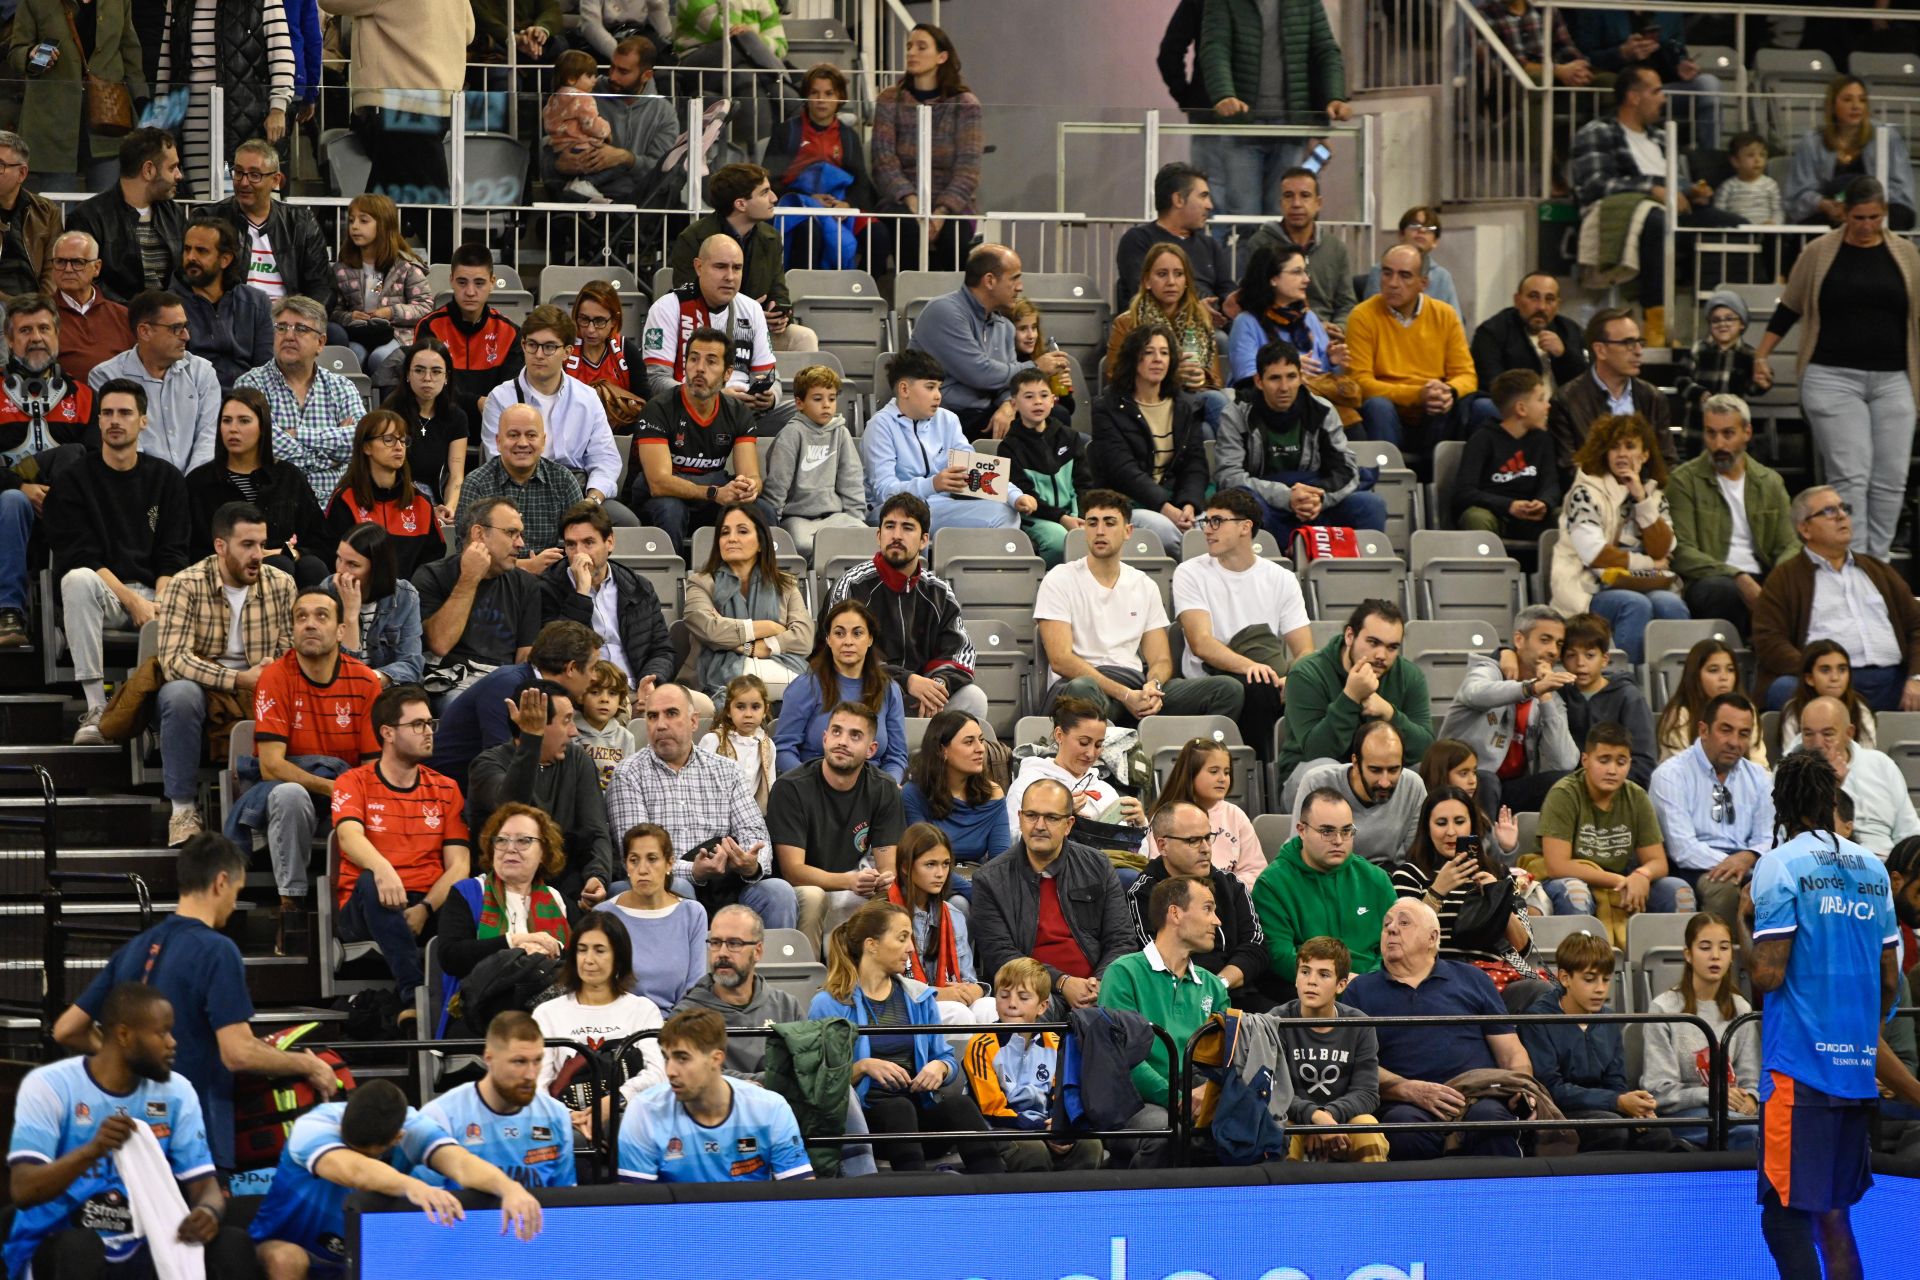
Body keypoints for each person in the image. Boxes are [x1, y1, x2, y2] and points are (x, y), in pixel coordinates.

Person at [51, 835, 339, 1175]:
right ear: (221, 882)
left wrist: (125, 1057)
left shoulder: (134, 948)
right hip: (192, 1142)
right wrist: (308, 1066)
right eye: (237, 891)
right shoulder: (217, 950)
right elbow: (238, 1052)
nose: (234, 904)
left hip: (126, 1138)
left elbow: (66, 1029)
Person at [1749, 750, 1899, 1279]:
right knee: (1834, 1216)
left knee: (1785, 1217)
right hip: (1856, 1074)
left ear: (1783, 805)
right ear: (1831, 800)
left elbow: (1768, 973)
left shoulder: (1779, 864)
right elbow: (1888, 979)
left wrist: (1747, 932)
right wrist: (1859, 1034)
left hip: (1800, 1071)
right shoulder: (1875, 869)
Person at [6, 984, 252, 1280]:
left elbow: (205, 1186)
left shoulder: (177, 1092)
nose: (172, 1043)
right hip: (61, 1239)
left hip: (145, 1243)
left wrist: (209, 1212)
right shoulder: (50, 1086)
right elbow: (23, 1190)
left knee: (231, 1244)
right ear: (124, 1035)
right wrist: (91, 1151)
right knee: (79, 1247)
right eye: (162, 1033)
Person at [1755, 177, 1920, 562]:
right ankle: (1852, 559)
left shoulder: (1907, 255)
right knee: (1852, 474)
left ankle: (1875, 561)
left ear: (1885, 214)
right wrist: (1762, 354)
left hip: (1894, 378)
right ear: (1844, 214)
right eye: (1858, 217)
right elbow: (1789, 307)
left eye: (1874, 217)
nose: (1866, 226)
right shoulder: (1819, 252)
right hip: (1831, 376)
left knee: (1891, 477)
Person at [248, 1079, 540, 1277]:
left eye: (367, 1151)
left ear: (397, 1139)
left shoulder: (413, 1128)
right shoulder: (312, 1126)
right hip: (290, 1245)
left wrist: (509, 1188)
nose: (357, 1153)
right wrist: (412, 1185)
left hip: (368, 1251)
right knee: (285, 1259)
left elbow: (461, 1164)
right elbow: (355, 1172)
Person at [235, 583, 380, 951]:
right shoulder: (275, 677)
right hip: (298, 796)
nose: (310, 624)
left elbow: (374, 767)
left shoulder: (365, 681)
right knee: (288, 793)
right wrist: (333, 788)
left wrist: (348, 793)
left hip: (346, 796)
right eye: (301, 617)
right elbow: (270, 767)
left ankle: (362, 917)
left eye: (321, 616)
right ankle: (291, 907)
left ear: (341, 630)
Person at [809, 902, 1005, 1173]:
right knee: (898, 1108)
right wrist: (862, 1067)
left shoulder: (918, 996)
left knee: (959, 1105)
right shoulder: (829, 1003)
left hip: (916, 1116)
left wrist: (941, 1067)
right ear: (871, 945)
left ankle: (996, 1192)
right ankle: (913, 1195)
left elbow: (945, 1057)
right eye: (902, 938)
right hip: (862, 1127)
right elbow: (817, 1082)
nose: (911, 948)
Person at [54, 379, 194, 745]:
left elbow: (174, 552)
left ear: (143, 421)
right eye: (108, 413)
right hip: (107, 595)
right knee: (76, 580)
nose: (116, 421)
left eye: (125, 413)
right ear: (98, 421)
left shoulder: (167, 478)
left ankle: (158, 718)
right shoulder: (73, 479)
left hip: (158, 592)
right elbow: (80, 555)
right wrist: (133, 602)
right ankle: (97, 708)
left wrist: (159, 601)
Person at [1567, 64, 1746, 347]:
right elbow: (1594, 185)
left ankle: (1722, 314)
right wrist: (1652, 189)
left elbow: (1677, 182)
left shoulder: (1661, 137)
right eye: (1657, 91)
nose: (1664, 98)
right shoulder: (1597, 132)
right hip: (1627, 214)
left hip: (1670, 209)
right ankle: (1656, 326)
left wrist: (1693, 191)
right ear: (1634, 97)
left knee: (1735, 225)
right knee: (1656, 221)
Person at [1344, 898, 1534, 1159]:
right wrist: (1409, 1090)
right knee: (1404, 1127)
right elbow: (1357, 1064)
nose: (1391, 929)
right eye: (1387, 924)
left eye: (1404, 922)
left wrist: (1522, 1087)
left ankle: (1500, 1199)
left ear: (1432, 937)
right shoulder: (1360, 990)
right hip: (1404, 1102)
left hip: (1477, 1096)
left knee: (1491, 1120)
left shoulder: (1473, 978)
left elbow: (1511, 1052)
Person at [1040, 488, 1244, 725]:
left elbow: (1160, 659)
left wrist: (1153, 687)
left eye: (1109, 523)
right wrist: (1124, 695)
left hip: (1134, 686)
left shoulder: (1143, 584)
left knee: (1227, 689)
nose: (1100, 531)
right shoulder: (1059, 578)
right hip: (1084, 689)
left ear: (1128, 531)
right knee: (1083, 689)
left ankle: (1195, 759)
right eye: (1092, 523)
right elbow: (1061, 659)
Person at [604, 682, 799, 929]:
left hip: (728, 882)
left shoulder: (726, 770)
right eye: (652, 717)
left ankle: (768, 968)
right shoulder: (628, 774)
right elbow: (634, 855)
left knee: (778, 892)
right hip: (665, 882)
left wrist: (751, 862)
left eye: (671, 714)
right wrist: (693, 871)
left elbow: (755, 833)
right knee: (678, 887)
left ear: (694, 722)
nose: (661, 724)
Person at [330, 683, 472, 1005]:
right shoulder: (353, 782)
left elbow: (459, 865)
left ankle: (470, 996)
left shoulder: (447, 789)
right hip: (365, 909)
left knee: (469, 891)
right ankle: (413, 996)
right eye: (417, 724)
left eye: (430, 723)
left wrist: (424, 908)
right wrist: (382, 868)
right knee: (371, 882)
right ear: (388, 733)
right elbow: (348, 836)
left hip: (427, 902)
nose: (428, 732)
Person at [824, 493, 992, 723]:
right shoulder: (853, 585)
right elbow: (840, 652)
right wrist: (907, 680)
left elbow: (960, 654)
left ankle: (938, 759)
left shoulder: (939, 592)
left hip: (922, 698)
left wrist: (938, 686)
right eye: (890, 526)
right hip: (867, 691)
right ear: (878, 535)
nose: (896, 535)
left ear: (924, 540)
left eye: (907, 528)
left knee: (974, 699)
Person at [971, 777, 1137, 1007]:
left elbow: (1121, 939)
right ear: (1020, 818)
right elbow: (1000, 956)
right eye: (1031, 816)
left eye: (1051, 818)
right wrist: (1061, 982)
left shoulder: (1097, 865)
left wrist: (1100, 983)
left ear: (1068, 824)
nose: (1039, 825)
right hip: (1032, 995)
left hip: (1097, 991)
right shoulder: (989, 879)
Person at [1754, 484, 1920, 714]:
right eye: (1829, 511)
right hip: (1824, 683)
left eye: (1843, 508)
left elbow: (1916, 626)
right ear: (1805, 529)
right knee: (1785, 689)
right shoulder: (1784, 578)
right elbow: (1769, 640)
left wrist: (1916, 676)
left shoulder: (1878, 571)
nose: (1842, 516)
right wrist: (1815, 671)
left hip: (1893, 681)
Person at [1100, 874, 1230, 1165]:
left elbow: (1223, 1060)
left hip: (1196, 1098)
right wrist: (1180, 1099)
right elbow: (1123, 1059)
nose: (1217, 921)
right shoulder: (1124, 973)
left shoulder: (1213, 986)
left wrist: (1208, 1093)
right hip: (1133, 1102)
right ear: (1175, 913)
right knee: (1168, 1132)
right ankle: (1143, 1210)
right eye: (1208, 909)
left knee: (1253, 1125)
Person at [1548, 411, 1688, 665]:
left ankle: (1676, 685)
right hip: (1587, 587)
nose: (1622, 454)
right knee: (1634, 605)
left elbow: (1662, 548)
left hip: (1639, 583)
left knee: (1670, 604)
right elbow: (1595, 553)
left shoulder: (1654, 495)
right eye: (1614, 447)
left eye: (1630, 446)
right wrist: (1648, 564)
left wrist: (1641, 499)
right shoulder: (1585, 492)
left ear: (1645, 455)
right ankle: (1624, 684)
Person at [1194, 0, 1350, 220]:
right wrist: (1223, 94)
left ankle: (1284, 256)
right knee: (1243, 216)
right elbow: (1214, 47)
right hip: (1242, 126)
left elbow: (1325, 51)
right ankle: (1248, 256)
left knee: (1284, 215)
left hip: (1291, 127)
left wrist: (1334, 96)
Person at [619, 1009, 815, 1183]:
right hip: (674, 1222)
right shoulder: (644, 1110)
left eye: (682, 1058)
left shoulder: (770, 1108)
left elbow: (801, 1195)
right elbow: (633, 1209)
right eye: (667, 1058)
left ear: (716, 1059)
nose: (670, 1071)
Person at [1518, 933, 1673, 1152]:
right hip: (1560, 1113)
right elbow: (1551, 1090)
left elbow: (1616, 1082)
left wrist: (1635, 1106)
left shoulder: (1609, 1021)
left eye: (1606, 979)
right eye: (1590, 979)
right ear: (1565, 978)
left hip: (1607, 1110)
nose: (1600, 989)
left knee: (1658, 1134)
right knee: (1611, 1130)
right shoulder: (1538, 1020)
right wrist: (1617, 1102)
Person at [1217, 338, 1386, 538]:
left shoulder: (1321, 410)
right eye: (1274, 378)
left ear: (1301, 378)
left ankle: (1357, 568)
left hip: (1313, 502)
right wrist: (1286, 497)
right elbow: (1229, 477)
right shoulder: (1236, 413)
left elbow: (1345, 470)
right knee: (1245, 506)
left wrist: (1318, 497)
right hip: (1266, 503)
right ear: (1259, 381)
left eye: (1291, 377)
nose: (1284, 387)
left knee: (1371, 505)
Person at [464, 684, 615, 906]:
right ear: (536, 726)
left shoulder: (578, 760)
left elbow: (595, 830)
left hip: (566, 889)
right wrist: (531, 740)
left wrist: (597, 876)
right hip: (504, 890)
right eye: (566, 721)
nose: (574, 731)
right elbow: (511, 810)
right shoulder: (486, 765)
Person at [770, 702, 904, 949]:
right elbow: (793, 871)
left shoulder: (884, 788)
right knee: (813, 895)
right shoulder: (791, 788)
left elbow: (888, 869)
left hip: (854, 881)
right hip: (802, 888)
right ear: (824, 738)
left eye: (855, 736)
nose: (842, 741)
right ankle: (807, 980)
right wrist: (849, 881)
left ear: (871, 749)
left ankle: (871, 982)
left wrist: (884, 880)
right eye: (836, 731)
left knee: (893, 896)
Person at [478, 307, 626, 525]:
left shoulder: (587, 398)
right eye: (532, 345)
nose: (538, 354)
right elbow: (497, 460)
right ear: (523, 346)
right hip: (519, 492)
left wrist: (592, 500)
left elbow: (605, 459)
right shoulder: (500, 398)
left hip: (577, 489)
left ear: (567, 352)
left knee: (626, 522)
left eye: (549, 347)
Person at [1666, 393, 1798, 636]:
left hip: (1764, 576)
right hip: (1710, 578)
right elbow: (1682, 551)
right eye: (1711, 433)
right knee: (1723, 591)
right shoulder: (1684, 480)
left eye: (1728, 434)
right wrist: (1737, 576)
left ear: (1746, 432)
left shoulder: (1769, 481)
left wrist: (1778, 582)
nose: (1718, 444)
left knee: (1804, 586)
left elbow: (1788, 544)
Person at [628, 324, 763, 557]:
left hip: (711, 494)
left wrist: (750, 488)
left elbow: (751, 475)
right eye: (693, 359)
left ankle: (752, 583)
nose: (699, 369)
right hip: (661, 497)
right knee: (671, 510)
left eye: (711, 362)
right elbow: (659, 483)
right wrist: (714, 493)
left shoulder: (738, 412)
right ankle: (672, 582)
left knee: (763, 513)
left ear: (727, 373)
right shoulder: (658, 409)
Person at [1393, 787, 1543, 997]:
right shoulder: (1409, 874)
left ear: (1473, 825)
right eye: (1441, 823)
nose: (1451, 832)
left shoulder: (1500, 873)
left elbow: (1524, 949)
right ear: (1427, 828)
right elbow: (1402, 939)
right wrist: (1437, 892)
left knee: (1541, 991)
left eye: (1460, 821)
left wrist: (1497, 898)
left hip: (1492, 982)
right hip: (1433, 979)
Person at [1649, 691, 1773, 943]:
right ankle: (1726, 970)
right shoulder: (1671, 775)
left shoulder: (1760, 778)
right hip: (1692, 869)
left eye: (1744, 733)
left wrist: (1748, 858)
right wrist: (1735, 865)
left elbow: (1768, 837)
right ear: (1703, 730)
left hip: (1747, 866)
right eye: (1725, 730)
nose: (1734, 742)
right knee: (1724, 888)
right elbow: (1683, 848)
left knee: (1782, 890)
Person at [863, 347, 1031, 532]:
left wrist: (1015, 495)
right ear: (904, 389)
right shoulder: (880, 425)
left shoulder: (947, 420)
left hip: (940, 508)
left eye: (939, 388)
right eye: (930, 387)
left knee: (1005, 511)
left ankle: (978, 561)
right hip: (894, 512)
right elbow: (884, 492)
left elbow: (976, 470)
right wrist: (933, 484)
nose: (938, 395)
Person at [1539, 721, 1694, 919]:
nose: (1612, 770)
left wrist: (1642, 875)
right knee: (1575, 892)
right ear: (1585, 760)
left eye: (1621, 762)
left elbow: (1657, 861)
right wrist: (1619, 880)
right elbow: (1557, 866)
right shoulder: (1564, 794)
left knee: (1679, 891)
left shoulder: (1636, 796)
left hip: (1622, 882)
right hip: (1569, 882)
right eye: (1604, 760)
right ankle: (1582, 950)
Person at [641, 234, 789, 441]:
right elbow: (656, 380)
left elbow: (770, 375)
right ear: (699, 267)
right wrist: (714, 399)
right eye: (720, 267)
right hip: (689, 411)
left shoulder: (752, 309)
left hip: (745, 412)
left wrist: (770, 397)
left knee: (812, 415)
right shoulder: (668, 307)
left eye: (736, 268)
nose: (730, 276)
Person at [905, 246, 1061, 439]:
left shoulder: (1005, 326)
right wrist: (1035, 366)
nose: (1020, 287)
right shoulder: (945, 311)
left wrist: (1007, 406)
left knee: (1055, 417)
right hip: (942, 418)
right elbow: (980, 373)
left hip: (982, 414)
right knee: (1034, 431)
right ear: (989, 281)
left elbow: (1007, 384)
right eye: (1014, 278)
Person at [428, 619, 601, 794]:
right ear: (571, 668)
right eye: (593, 668)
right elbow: (501, 765)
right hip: (451, 800)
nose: (594, 677)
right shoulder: (506, 686)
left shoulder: (546, 693)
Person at [961, 958, 1103, 1171]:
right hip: (1002, 1128)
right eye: (1004, 995)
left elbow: (1061, 1095)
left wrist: (1058, 1124)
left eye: (1023, 997)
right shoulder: (981, 1044)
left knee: (1090, 1145)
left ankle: (1077, 1203)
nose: (1012, 1004)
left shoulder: (1056, 1042)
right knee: (1033, 1150)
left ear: (1042, 1006)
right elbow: (991, 1110)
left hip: (1046, 1126)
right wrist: (1041, 1130)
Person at [1127, 802, 1270, 1009]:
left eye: (1207, 837)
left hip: (1236, 993)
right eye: (1193, 841)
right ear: (1162, 845)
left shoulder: (1230, 885)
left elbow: (1256, 947)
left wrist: (1218, 985)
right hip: (1176, 998)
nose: (1205, 848)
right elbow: (1157, 956)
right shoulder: (1143, 893)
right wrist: (1204, 990)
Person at [1277, 599, 1434, 786]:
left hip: (1380, 778)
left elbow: (1426, 751)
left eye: (1392, 647)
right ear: (1350, 636)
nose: (1381, 656)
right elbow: (1316, 752)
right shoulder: (1307, 673)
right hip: (1308, 779)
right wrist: (1350, 697)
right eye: (1373, 643)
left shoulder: (1409, 675)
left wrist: (1389, 714)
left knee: (1427, 772)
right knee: (1324, 769)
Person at [1253, 788, 1399, 986]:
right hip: (1306, 995)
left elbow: (1395, 945)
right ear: (1302, 830)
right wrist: (1334, 982)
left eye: (1346, 831)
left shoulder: (1377, 880)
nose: (1338, 841)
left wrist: (1368, 984)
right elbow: (1279, 955)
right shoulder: (1272, 884)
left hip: (1373, 989)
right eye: (1327, 831)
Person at [669, 163, 818, 354]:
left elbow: (778, 289)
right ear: (740, 204)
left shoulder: (770, 238)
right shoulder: (693, 238)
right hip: (709, 330)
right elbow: (688, 297)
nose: (774, 198)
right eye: (764, 193)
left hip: (758, 328)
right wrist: (745, 311)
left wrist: (779, 313)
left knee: (804, 338)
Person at [1088, 322, 1209, 556]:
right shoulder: (1108, 407)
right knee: (1167, 533)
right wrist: (1165, 508)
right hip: (1127, 504)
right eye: (1148, 352)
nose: (1158, 359)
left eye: (1164, 353)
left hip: (1177, 503)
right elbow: (1122, 470)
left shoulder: (1186, 406)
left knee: (1215, 530)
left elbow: (1195, 464)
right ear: (1134, 359)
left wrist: (1188, 505)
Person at [869, 23, 982, 271]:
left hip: (953, 203)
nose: (912, 53)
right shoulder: (890, 98)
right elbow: (883, 159)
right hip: (901, 199)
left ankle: (949, 306)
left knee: (954, 238)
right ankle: (909, 303)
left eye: (921, 47)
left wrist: (940, 212)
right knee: (906, 227)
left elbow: (968, 168)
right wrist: (911, 200)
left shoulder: (965, 104)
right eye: (909, 46)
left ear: (942, 56)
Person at [1642, 911, 1759, 1149]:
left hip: (1732, 1113)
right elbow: (1659, 1090)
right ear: (1688, 954)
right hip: (1684, 1114)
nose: (1715, 956)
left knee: (1761, 1129)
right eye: (1705, 947)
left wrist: (1751, 1098)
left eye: (1724, 948)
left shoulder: (1741, 1007)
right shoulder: (1663, 1008)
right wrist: (1712, 1095)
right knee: (1746, 1133)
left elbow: (1750, 1077)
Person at [419, 1010, 577, 1186]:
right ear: (489, 1058)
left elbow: (563, 1199)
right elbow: (427, 1205)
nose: (531, 1074)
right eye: (519, 1062)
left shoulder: (556, 1114)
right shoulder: (441, 1116)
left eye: (537, 1060)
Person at [1344, 244, 1475, 452]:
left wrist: (1448, 391)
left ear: (1423, 283)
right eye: (1387, 273)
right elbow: (1360, 383)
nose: (1393, 283)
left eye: (1404, 276)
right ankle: (1387, 479)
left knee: (1480, 408)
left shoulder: (1445, 315)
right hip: (1388, 413)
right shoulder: (1362, 316)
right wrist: (1417, 395)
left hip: (1435, 412)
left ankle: (1457, 481)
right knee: (1378, 406)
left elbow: (1467, 376)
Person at [187, 388, 327, 584]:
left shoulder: (289, 477)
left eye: (243, 420)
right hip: (222, 575)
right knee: (279, 565)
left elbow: (320, 541)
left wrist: (292, 553)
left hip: (285, 568)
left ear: (263, 427)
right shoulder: (200, 482)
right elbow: (192, 550)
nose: (233, 429)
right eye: (226, 420)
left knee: (311, 566)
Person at [534, 913, 666, 1119]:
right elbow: (538, 1083)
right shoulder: (547, 1013)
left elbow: (658, 1074)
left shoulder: (643, 1009)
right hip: (563, 1119)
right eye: (582, 950)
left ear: (619, 957)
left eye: (600, 950)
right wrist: (568, 1116)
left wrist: (616, 1101)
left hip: (629, 1117)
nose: (588, 960)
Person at [541, 501, 674, 698]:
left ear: (609, 542)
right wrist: (581, 594)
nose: (579, 553)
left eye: (588, 542)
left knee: (701, 705)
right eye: (571, 545)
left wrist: (651, 682)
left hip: (637, 690)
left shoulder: (638, 587)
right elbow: (556, 657)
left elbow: (662, 649)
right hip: (587, 694)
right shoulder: (547, 588)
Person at [7, 0, 143, 193]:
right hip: (54, 122)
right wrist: (31, 53)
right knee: (58, 209)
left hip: (109, 118)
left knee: (106, 209)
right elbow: (15, 52)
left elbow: (130, 50)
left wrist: (141, 99)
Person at [235, 295, 363, 498]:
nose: (288, 336)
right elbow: (265, 449)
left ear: (320, 343)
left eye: (301, 329)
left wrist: (297, 435)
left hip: (334, 506)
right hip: (275, 504)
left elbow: (361, 441)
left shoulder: (342, 387)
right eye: (282, 327)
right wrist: (333, 455)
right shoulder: (250, 385)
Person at [683, 501, 811, 701]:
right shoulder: (700, 583)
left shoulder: (785, 585)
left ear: (760, 542)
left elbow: (803, 639)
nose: (731, 539)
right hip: (709, 686)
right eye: (725, 533)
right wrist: (771, 627)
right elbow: (710, 629)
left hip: (779, 681)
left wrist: (750, 647)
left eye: (742, 531)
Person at [1277, 936, 1389, 1162]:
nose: (1311, 981)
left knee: (1368, 1128)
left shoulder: (1359, 1024)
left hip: (1342, 1119)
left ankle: (1372, 1197)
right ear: (1296, 978)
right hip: (1293, 1119)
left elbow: (1367, 1093)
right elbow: (1273, 1091)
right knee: (1280, 1132)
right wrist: (1314, 1118)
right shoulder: (1275, 1021)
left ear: (1341, 985)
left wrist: (1329, 1116)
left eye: (1324, 974)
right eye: (1305, 971)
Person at [89, 289, 223, 477]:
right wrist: (164, 487)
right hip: (141, 485)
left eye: (186, 326)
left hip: (198, 485)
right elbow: (126, 446)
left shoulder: (202, 372)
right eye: (176, 328)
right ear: (145, 331)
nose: (186, 336)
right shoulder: (107, 376)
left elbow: (209, 438)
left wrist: (192, 483)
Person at [412, 497, 541, 684]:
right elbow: (440, 644)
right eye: (511, 533)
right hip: (451, 680)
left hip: (504, 682)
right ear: (479, 534)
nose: (520, 543)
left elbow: (525, 657)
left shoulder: (526, 585)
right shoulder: (432, 575)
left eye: (520, 534)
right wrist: (469, 579)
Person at [775, 599, 907, 780]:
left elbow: (896, 756)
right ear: (828, 639)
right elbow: (784, 749)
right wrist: (811, 786)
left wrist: (887, 788)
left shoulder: (889, 689)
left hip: (872, 792)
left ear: (870, 639)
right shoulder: (806, 685)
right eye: (839, 633)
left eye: (857, 633)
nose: (848, 642)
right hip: (815, 788)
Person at [205, 137, 336, 312]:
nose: (244, 182)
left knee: (338, 335)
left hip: (288, 317)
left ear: (275, 180)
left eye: (254, 175)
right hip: (233, 315)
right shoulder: (210, 218)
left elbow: (322, 287)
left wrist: (302, 320)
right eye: (238, 172)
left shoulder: (301, 222)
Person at [1105, 242, 1226, 431]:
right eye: (1162, 274)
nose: (1171, 282)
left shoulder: (1201, 321)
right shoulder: (1128, 322)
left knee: (1217, 401)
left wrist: (1202, 377)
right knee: (1204, 429)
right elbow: (1115, 377)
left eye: (1178, 274)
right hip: (1147, 399)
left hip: (1193, 398)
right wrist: (1168, 376)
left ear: (1187, 280)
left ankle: (1240, 459)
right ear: (1147, 281)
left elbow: (1217, 381)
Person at [1225, 244, 1355, 419]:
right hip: (1268, 406)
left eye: (1305, 271)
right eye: (1297, 272)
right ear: (1273, 278)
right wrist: (1288, 366)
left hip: (1314, 398)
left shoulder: (1308, 317)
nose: (1307, 279)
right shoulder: (1246, 321)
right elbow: (1246, 377)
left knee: (1355, 413)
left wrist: (1331, 360)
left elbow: (1320, 373)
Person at [888, 824, 997, 1023]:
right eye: (930, 864)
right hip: (900, 1008)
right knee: (959, 1013)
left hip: (946, 1001)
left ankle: (982, 1055)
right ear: (905, 866)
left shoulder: (953, 914)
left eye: (945, 864)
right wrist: (936, 994)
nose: (940, 873)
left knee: (989, 1006)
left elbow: (966, 978)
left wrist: (975, 989)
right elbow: (881, 987)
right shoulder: (884, 914)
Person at [1548, 308, 1677, 475]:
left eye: (1640, 342)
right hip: (1593, 497)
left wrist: (1643, 495)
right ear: (1601, 350)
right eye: (1629, 343)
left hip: (1645, 495)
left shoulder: (1653, 398)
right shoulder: (1566, 401)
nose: (1638, 351)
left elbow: (1666, 462)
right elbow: (1569, 468)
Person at [594, 822, 706, 1011]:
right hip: (620, 1028)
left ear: (669, 863)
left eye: (652, 859)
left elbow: (695, 990)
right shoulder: (603, 915)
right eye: (634, 860)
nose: (642, 869)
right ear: (625, 864)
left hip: (678, 1029)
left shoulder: (693, 914)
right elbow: (597, 988)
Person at [1003, 696, 1148, 842]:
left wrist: (1139, 827)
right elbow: (1010, 843)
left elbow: (1135, 858)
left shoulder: (1106, 791)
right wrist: (1058, 815)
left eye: (1098, 745)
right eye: (1083, 743)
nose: (1091, 753)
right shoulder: (1029, 784)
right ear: (1059, 735)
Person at [457, 404, 587, 564]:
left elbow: (582, 541)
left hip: (551, 579)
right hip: (493, 582)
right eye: (513, 435)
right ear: (498, 441)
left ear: (543, 441)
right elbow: (465, 551)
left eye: (531, 435)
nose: (523, 443)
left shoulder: (563, 480)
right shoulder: (477, 483)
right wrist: (524, 567)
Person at [63, 129, 183, 303]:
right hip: (113, 322)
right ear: (148, 170)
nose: (179, 175)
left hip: (168, 321)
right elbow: (87, 283)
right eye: (172, 168)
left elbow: (185, 276)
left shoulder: (175, 214)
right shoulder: (88, 218)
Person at [324, 409, 445, 580]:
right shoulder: (345, 499)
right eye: (388, 440)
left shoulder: (421, 502)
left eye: (403, 440)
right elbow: (332, 558)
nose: (398, 446)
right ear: (366, 447)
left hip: (411, 600)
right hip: (358, 597)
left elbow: (433, 561)